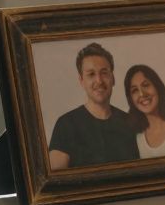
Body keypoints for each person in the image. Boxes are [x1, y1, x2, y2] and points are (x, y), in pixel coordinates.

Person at [48, 42, 139, 170]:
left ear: (113, 78)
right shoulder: (66, 125)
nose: (99, 80)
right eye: (91, 74)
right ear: (81, 81)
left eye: (104, 73)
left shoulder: (130, 123)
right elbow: (56, 180)